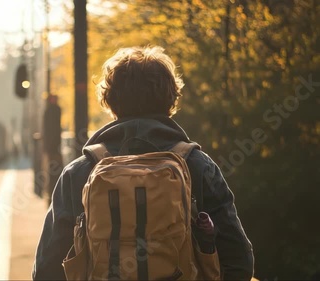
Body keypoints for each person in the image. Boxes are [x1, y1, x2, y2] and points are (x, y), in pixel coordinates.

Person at [32, 46, 254, 280]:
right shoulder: (197, 167)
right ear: (171, 99)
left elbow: (46, 270)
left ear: (109, 101)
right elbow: (240, 262)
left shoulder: (79, 173)